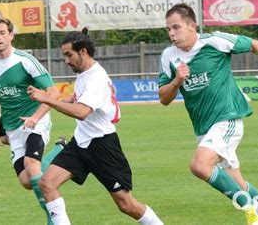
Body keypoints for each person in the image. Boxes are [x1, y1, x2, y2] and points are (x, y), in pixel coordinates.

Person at [158, 3, 258, 225]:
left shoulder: (215, 41)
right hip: (203, 127)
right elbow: (164, 98)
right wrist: (177, 80)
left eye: (176, 27)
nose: (171, 33)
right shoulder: (169, 56)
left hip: (227, 118)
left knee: (199, 165)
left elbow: (254, 44)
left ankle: (249, 207)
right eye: (168, 29)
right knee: (239, 184)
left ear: (192, 26)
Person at [27, 28, 163, 225]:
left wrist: (46, 99)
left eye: (69, 55)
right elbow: (75, 98)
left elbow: (82, 112)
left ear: (83, 52)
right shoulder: (84, 73)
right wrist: (45, 105)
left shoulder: (96, 77)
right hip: (81, 143)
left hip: (103, 146)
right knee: (47, 184)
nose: (66, 60)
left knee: (126, 205)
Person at [0, 18, 64, 224]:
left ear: (11, 35)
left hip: (35, 120)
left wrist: (36, 117)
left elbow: (53, 92)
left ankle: (53, 218)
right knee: (27, 181)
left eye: (2, 32)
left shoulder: (25, 60)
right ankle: (60, 150)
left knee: (32, 165)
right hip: (12, 128)